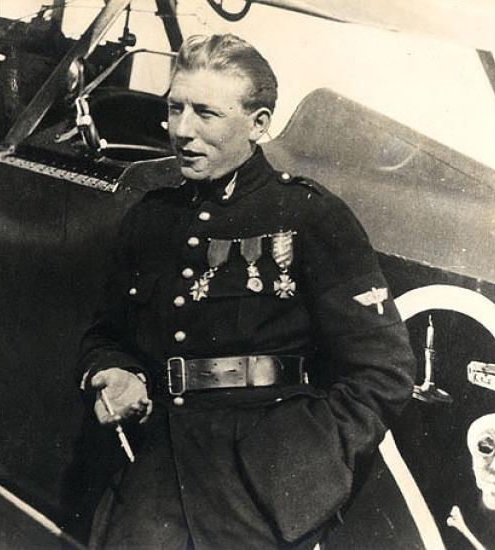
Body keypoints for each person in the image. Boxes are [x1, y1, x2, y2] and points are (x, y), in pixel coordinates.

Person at [77, 33, 416, 550]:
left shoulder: (310, 216)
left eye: (206, 114)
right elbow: (107, 332)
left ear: (258, 124)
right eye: (175, 109)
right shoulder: (152, 217)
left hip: (261, 494)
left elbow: (384, 371)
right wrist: (115, 371)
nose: (182, 132)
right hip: (156, 478)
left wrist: (307, 468)